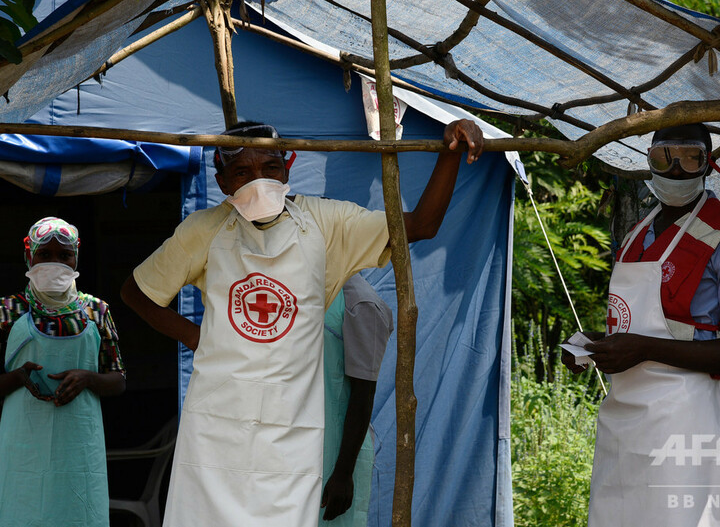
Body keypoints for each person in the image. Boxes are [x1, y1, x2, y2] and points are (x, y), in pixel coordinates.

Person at [120, 119, 483, 526]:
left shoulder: (327, 224)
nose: (258, 181)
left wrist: (450, 155)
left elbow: (420, 226)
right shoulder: (204, 230)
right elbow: (137, 292)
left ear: (288, 168)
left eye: (270, 169)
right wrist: (197, 337)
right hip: (217, 424)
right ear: (222, 182)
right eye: (241, 172)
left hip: (292, 427)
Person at [562, 123, 720, 527]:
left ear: (708, 165)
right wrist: (595, 344)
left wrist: (643, 348)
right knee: (617, 514)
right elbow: (645, 326)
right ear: (648, 161)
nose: (675, 170)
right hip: (625, 413)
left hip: (688, 412)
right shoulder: (638, 231)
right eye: (663, 157)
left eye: (690, 157)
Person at [0, 216, 126, 527]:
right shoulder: (8, 311)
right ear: (29, 256)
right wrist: (17, 378)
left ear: (76, 258)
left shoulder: (96, 311)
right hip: (24, 445)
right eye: (44, 255)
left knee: (79, 512)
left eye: (64, 255)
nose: (55, 262)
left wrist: (89, 378)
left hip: (79, 445)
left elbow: (118, 379)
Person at [320, 273, 393, 525]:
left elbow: (363, 393)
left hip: (335, 455)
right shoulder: (310, 289)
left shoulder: (360, 303)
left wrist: (343, 471)